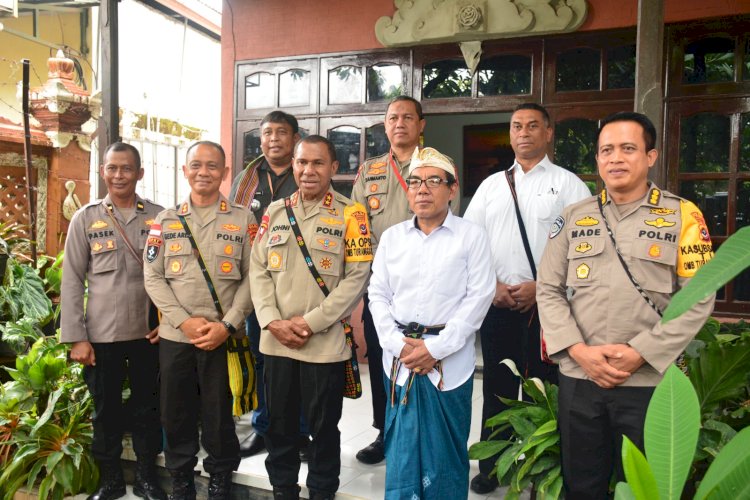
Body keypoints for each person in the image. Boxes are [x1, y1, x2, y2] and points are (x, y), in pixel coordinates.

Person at [537, 111, 715, 499]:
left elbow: (699, 295)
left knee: (649, 486)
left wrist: (641, 352)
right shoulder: (572, 218)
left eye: (628, 148)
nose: (615, 158)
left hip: (650, 381)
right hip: (581, 379)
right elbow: (548, 290)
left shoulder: (682, 216)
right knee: (583, 483)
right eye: (606, 150)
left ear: (650, 156)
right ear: (597, 160)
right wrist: (579, 352)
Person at [463, 102, 591, 494]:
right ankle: (493, 467)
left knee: (544, 390)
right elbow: (471, 244)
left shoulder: (570, 185)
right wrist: (493, 287)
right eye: (517, 126)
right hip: (499, 306)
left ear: (548, 132)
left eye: (533, 125)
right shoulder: (491, 185)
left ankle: (541, 468)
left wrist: (544, 288)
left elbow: (584, 248)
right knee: (498, 390)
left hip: (548, 309)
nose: (523, 133)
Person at [249, 135, 372, 500]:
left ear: (334, 168)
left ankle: (322, 491)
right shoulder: (274, 211)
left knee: (323, 427)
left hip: (323, 345)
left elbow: (357, 277)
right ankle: (282, 489)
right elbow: (257, 269)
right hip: (276, 342)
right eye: (302, 163)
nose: (308, 170)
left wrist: (311, 322)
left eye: (318, 163)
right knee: (280, 426)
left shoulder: (353, 215)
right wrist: (271, 319)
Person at [368, 147, 494, 499]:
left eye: (433, 181)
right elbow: (377, 295)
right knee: (402, 450)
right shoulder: (392, 238)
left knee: (445, 451)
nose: (422, 189)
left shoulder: (471, 236)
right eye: (415, 182)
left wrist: (435, 348)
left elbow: (479, 297)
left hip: (449, 362)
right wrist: (397, 344)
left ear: (452, 189)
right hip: (399, 359)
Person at [350, 95, 460, 464]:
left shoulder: (438, 166)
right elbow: (357, 229)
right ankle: (385, 431)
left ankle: (428, 434)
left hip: (429, 285)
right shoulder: (369, 171)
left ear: (421, 124)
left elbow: (449, 224)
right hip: (382, 284)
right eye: (393, 117)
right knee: (384, 356)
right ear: (385, 125)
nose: (400, 124)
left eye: (408, 117)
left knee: (431, 360)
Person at [143, 141, 256, 500]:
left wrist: (227, 324)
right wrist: (182, 322)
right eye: (196, 165)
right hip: (178, 338)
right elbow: (153, 276)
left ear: (224, 173)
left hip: (224, 337)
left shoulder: (243, 219)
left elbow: (255, 277)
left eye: (212, 166)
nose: (203, 172)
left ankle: (220, 478)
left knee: (220, 413)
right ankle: (181, 480)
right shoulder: (165, 220)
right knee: (176, 413)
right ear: (185, 171)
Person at [61, 142, 167, 500]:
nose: (119, 175)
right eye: (112, 168)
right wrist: (77, 337)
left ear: (139, 173)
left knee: (147, 406)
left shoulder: (159, 217)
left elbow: (175, 275)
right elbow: (72, 280)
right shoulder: (86, 218)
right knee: (105, 411)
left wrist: (167, 321)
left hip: (147, 332)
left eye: (126, 169)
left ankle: (148, 477)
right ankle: (110, 480)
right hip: (101, 334)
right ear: (103, 171)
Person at [229, 110, 311, 459]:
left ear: (295, 138)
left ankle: (303, 431)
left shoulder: (305, 172)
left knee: (304, 360)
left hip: (302, 283)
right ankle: (264, 428)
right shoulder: (247, 179)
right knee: (263, 358)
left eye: (281, 132)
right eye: (267, 133)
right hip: (258, 285)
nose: (274, 138)